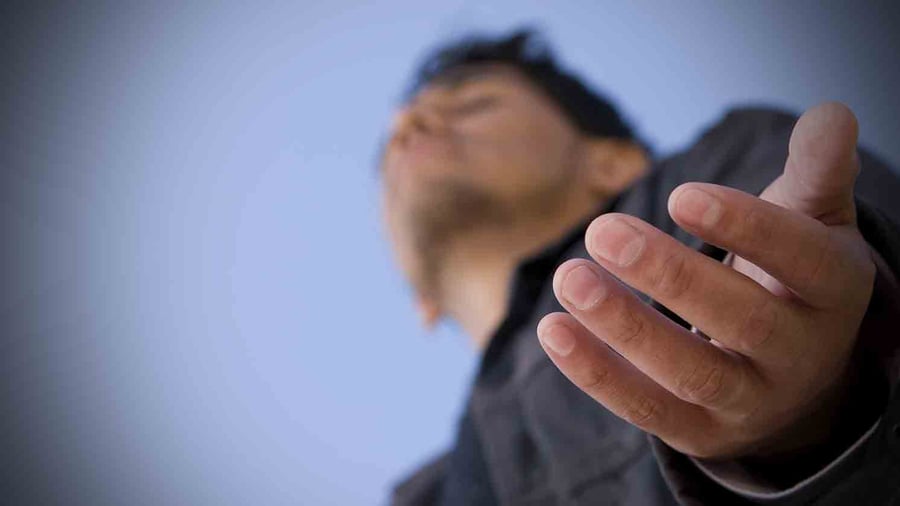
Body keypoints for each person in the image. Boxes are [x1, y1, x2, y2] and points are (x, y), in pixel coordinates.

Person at [378, 29, 900, 506]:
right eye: (392, 141)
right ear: (422, 300)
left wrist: (823, 406)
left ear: (613, 163)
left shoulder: (719, 167)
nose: (408, 123)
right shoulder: (421, 498)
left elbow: (846, 254)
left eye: (472, 104)